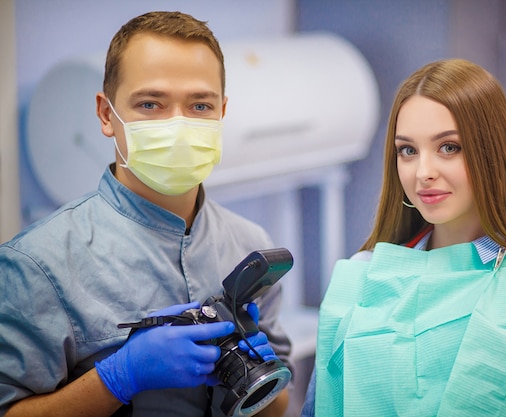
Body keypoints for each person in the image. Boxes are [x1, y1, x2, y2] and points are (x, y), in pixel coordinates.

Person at [0, 11, 291, 417]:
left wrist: (259, 379)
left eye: (200, 105)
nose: (178, 125)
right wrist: (118, 378)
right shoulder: (37, 266)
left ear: (222, 111)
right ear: (106, 115)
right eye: (150, 103)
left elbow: (278, 407)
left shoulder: (250, 247)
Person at [300, 59, 506, 417]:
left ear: (491, 155)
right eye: (408, 150)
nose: (423, 172)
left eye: (449, 147)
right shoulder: (359, 276)